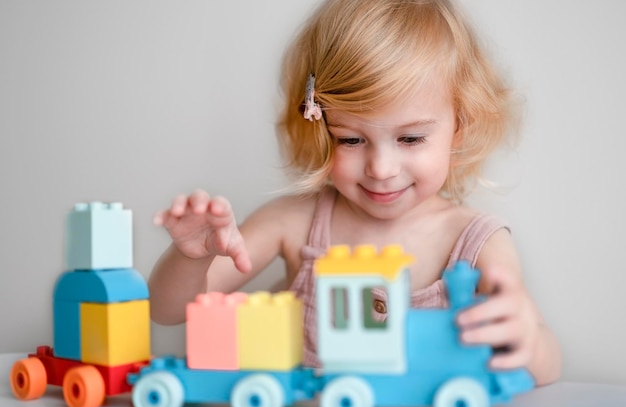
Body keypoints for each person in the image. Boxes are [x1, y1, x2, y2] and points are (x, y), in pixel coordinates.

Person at [148, 0, 561, 386]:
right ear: (321, 128)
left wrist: (527, 338)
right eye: (350, 140)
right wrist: (191, 257)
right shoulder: (293, 222)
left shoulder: (478, 243)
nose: (381, 169)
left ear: (461, 126)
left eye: (411, 138)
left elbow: (548, 367)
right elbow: (167, 312)